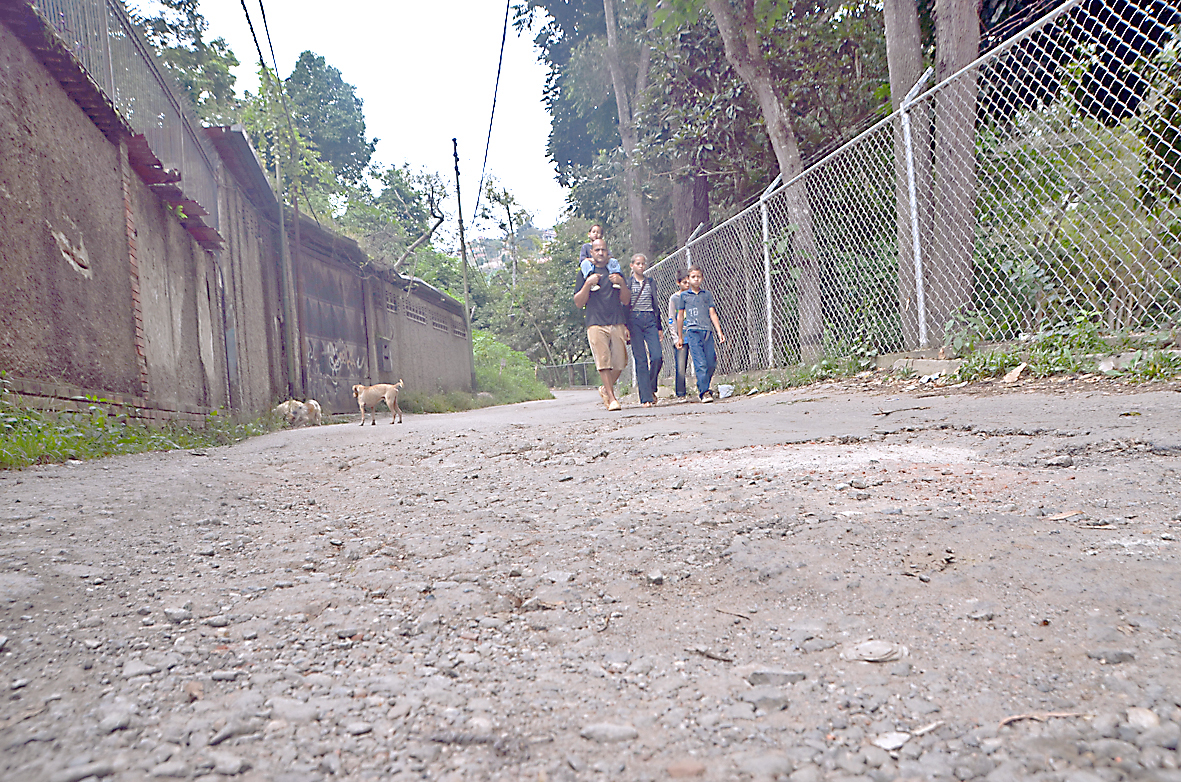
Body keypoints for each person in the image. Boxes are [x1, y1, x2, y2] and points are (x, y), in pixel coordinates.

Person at [574, 237, 630, 410]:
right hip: (595, 322)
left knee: (620, 362)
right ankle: (612, 398)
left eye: (603, 250)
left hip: (616, 320)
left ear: (608, 252)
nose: (600, 253)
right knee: (603, 361)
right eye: (596, 250)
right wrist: (587, 285)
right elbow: (578, 302)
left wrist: (621, 283)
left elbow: (626, 300)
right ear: (591, 253)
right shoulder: (585, 273)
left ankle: (605, 389)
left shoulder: (615, 271)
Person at [675, 265, 726, 403]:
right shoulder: (684, 296)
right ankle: (704, 392)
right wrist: (680, 336)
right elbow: (680, 316)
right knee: (700, 363)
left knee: (711, 362)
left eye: (698, 277)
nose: (696, 279)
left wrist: (719, 331)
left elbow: (712, 313)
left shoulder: (706, 295)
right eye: (693, 277)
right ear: (688, 279)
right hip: (692, 332)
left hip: (707, 331)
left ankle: (703, 385)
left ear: (702, 278)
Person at [626, 253, 663, 407]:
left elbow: (656, 304)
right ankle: (645, 398)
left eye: (643, 264)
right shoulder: (627, 283)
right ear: (632, 266)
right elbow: (624, 304)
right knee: (641, 359)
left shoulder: (650, 282)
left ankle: (650, 386)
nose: (640, 266)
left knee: (657, 356)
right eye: (638, 264)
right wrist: (625, 326)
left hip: (650, 319)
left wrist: (659, 326)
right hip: (634, 320)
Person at [667, 269, 692, 401]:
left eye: (689, 282)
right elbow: (671, 319)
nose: (687, 285)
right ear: (678, 283)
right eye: (684, 282)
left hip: (694, 334)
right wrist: (676, 337)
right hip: (681, 337)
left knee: (701, 362)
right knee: (681, 366)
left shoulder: (693, 296)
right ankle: (681, 393)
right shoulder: (674, 299)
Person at [578, 224, 621, 291]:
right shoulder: (585, 246)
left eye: (598, 232)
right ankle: (590, 278)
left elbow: (610, 256)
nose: (596, 234)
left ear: (601, 235)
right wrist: (591, 260)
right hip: (591, 264)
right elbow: (582, 259)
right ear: (589, 234)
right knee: (584, 263)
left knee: (613, 261)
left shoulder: (603, 245)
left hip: (603, 263)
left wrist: (606, 259)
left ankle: (615, 276)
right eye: (594, 232)